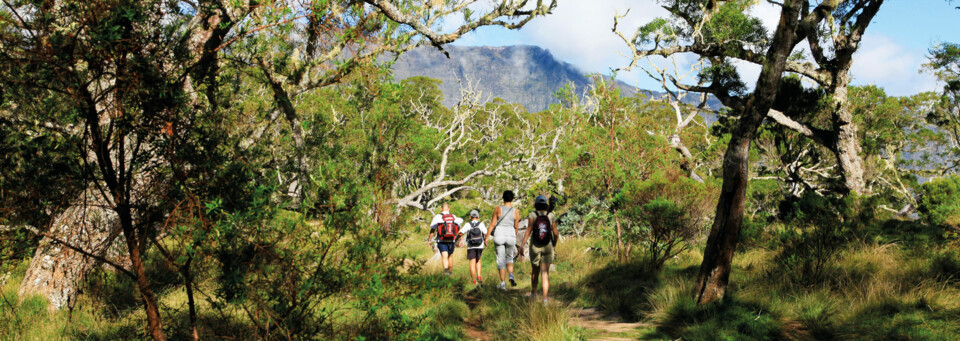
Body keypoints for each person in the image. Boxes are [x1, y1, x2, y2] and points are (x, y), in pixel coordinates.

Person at [518, 195, 559, 305]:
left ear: (536, 204)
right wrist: (554, 244)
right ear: (546, 204)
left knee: (535, 271)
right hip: (548, 246)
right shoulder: (551, 215)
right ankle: (545, 299)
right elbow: (556, 234)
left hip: (535, 246)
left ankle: (534, 293)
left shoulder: (533, 215)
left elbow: (528, 231)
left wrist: (522, 245)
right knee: (545, 273)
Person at [484, 190, 521, 290]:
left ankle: (503, 284)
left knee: (500, 259)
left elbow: (492, 224)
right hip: (510, 235)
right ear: (512, 199)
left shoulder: (498, 209)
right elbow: (516, 226)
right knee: (509, 257)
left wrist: (487, 237)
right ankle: (511, 276)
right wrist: (514, 235)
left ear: (503, 198)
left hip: (499, 234)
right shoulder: (516, 211)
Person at [427, 203, 463, 276]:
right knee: (450, 256)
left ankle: (446, 271)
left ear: (441, 209)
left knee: (444, 255)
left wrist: (429, 239)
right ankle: (450, 273)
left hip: (441, 240)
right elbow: (458, 228)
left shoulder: (437, 217)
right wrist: (461, 239)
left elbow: (432, 229)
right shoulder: (453, 217)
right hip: (451, 240)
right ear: (449, 209)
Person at [458, 209, 487, 286]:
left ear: (470, 217)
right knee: (478, 260)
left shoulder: (468, 224)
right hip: (480, 245)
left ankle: (473, 280)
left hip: (471, 246)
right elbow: (485, 233)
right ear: (478, 217)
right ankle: (479, 276)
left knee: (472, 262)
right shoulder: (481, 224)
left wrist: (461, 240)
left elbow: (460, 233)